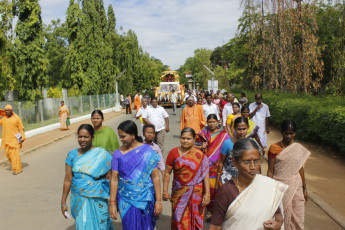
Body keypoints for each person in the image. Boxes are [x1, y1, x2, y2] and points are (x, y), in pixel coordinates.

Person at [209, 139, 287, 230]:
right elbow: (215, 226)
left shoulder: (268, 185)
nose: (253, 167)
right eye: (246, 162)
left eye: (257, 161)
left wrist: (278, 223)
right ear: (234, 162)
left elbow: (277, 214)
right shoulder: (227, 191)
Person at [109, 120, 162, 230]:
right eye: (120, 136)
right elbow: (114, 179)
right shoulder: (117, 154)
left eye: (123, 136)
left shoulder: (147, 151)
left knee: (146, 225)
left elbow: (155, 176)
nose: (121, 139)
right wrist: (112, 203)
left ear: (133, 135)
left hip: (145, 197)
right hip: (125, 198)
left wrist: (158, 201)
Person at [60, 124, 114, 229]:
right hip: (78, 197)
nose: (82, 140)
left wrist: (113, 202)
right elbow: (67, 180)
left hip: (97, 197)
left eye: (86, 137)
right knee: (82, 224)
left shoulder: (101, 154)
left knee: (100, 225)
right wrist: (63, 202)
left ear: (92, 138)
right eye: (80, 136)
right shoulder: (71, 155)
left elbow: (110, 178)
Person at [163, 127, 210, 229]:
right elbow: (167, 173)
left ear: (194, 139)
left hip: (196, 191)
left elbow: (205, 174)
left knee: (195, 217)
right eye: (183, 138)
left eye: (188, 139)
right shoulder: (173, 153)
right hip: (178, 191)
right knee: (177, 218)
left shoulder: (199, 155)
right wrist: (165, 190)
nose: (185, 141)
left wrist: (207, 193)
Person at [267, 120, 310, 230]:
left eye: (292, 133)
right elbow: (270, 170)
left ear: (295, 133)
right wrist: (268, 188)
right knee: (282, 213)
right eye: (286, 133)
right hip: (281, 186)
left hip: (296, 186)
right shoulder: (274, 148)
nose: (289, 136)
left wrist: (305, 189)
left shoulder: (297, 148)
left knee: (298, 214)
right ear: (282, 132)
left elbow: (300, 169)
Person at [197, 114, 230, 215]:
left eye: (213, 122)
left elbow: (228, 147)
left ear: (218, 122)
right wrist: (201, 146)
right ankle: (206, 208)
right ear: (207, 122)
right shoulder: (202, 133)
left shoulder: (224, 134)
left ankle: (214, 211)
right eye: (210, 122)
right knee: (204, 188)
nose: (211, 124)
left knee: (215, 188)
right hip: (203, 164)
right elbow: (195, 145)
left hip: (217, 166)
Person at [216, 117, 249, 187]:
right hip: (228, 178)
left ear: (248, 128)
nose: (242, 132)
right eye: (239, 129)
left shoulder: (251, 143)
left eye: (244, 129)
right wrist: (217, 182)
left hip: (245, 178)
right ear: (234, 128)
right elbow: (221, 162)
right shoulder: (227, 143)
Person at [0, 104, 26, 175]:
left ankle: (18, 169)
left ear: (12, 111)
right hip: (6, 141)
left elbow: (21, 128)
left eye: (8, 110)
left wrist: (22, 137)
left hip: (14, 140)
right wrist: (1, 113)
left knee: (15, 155)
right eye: (5, 110)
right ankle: (14, 167)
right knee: (8, 155)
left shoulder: (16, 118)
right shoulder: (4, 119)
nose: (6, 112)